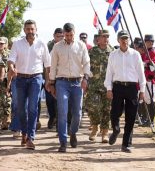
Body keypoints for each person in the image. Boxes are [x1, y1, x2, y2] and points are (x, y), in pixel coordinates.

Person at [8, 20, 51, 150]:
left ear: (36, 29)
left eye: (32, 29)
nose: (30, 31)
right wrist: (11, 68)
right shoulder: (17, 44)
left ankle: (31, 138)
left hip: (36, 79)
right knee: (21, 109)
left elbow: (47, 64)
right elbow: (11, 60)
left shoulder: (42, 43)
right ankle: (24, 133)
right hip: (20, 78)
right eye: (28, 29)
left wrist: (48, 80)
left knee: (33, 108)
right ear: (24, 30)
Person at [48, 23, 90, 153]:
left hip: (77, 82)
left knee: (77, 112)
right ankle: (63, 142)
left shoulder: (81, 46)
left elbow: (86, 63)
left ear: (74, 33)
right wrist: (52, 83)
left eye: (71, 35)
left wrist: (86, 79)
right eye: (66, 35)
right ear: (64, 35)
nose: (69, 37)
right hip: (62, 83)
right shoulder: (57, 47)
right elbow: (53, 66)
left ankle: (73, 132)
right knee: (62, 112)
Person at [104, 30, 146, 153]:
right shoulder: (113, 55)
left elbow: (141, 73)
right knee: (114, 113)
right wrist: (109, 88)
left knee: (131, 116)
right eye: (122, 38)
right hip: (117, 87)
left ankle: (126, 144)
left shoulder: (135, 54)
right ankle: (116, 130)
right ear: (118, 40)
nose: (124, 40)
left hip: (132, 88)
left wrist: (142, 90)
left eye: (126, 38)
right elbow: (109, 73)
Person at [86, 29, 113, 143]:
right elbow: (86, 66)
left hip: (108, 86)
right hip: (94, 85)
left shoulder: (112, 52)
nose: (106, 39)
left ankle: (105, 132)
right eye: (103, 36)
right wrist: (86, 80)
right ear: (98, 38)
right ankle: (95, 127)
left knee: (107, 109)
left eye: (107, 36)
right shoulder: (92, 51)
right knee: (93, 107)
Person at [45, 28, 64, 129]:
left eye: (62, 36)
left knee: (58, 100)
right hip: (49, 76)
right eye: (58, 36)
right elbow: (46, 64)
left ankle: (58, 123)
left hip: (61, 77)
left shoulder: (65, 45)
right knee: (49, 100)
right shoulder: (48, 46)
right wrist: (47, 79)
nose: (60, 38)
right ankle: (52, 116)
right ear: (54, 36)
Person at [0, 37, 11, 133]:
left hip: (6, 82)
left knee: (7, 103)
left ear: (5, 44)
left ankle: (6, 122)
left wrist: (10, 84)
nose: (0, 45)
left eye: (2, 43)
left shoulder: (9, 54)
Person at [141, 34, 155, 128]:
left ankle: (151, 120)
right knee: (147, 100)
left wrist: (145, 64)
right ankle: (147, 119)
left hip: (151, 79)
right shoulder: (146, 52)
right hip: (146, 77)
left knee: (151, 100)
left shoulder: (153, 52)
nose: (147, 43)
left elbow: (153, 64)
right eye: (146, 41)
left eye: (149, 41)